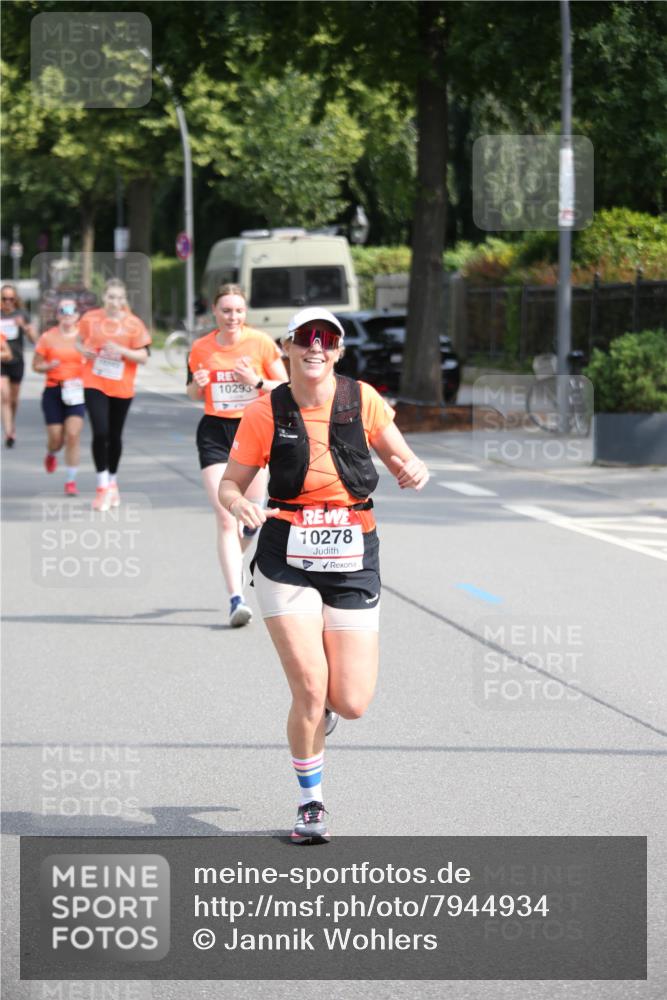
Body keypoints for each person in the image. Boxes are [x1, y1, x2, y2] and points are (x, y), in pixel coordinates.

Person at [219, 307, 429, 843]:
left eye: (327, 339)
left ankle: (326, 713)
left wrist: (414, 470)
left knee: (351, 701)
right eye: (305, 338)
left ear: (337, 351)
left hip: (353, 551)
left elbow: (404, 458)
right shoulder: (266, 411)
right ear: (286, 348)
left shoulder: (364, 401)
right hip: (286, 553)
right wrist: (239, 503)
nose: (316, 346)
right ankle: (310, 803)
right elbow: (230, 483)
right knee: (310, 687)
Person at [187, 283, 288, 627]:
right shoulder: (201, 347)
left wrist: (256, 382)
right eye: (226, 310)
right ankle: (236, 599)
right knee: (226, 514)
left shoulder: (260, 342)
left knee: (251, 519)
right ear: (214, 312)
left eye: (239, 311)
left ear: (246, 313)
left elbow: (287, 387)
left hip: (254, 431)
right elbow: (190, 393)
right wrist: (196, 385)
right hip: (215, 432)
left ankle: (235, 549)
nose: (233, 317)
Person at [76, 278, 151, 511]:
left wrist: (121, 350)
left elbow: (144, 356)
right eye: (111, 297)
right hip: (94, 381)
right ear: (104, 298)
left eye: (119, 297)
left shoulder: (133, 324)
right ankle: (101, 487)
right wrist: (84, 351)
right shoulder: (91, 318)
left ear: (124, 299)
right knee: (100, 432)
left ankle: (113, 482)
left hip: (121, 385)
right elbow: (78, 342)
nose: (115, 302)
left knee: (115, 435)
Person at [32, 298, 86, 495]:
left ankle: (70, 481)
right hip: (53, 390)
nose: (67, 314)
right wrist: (47, 366)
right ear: (57, 315)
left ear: (78, 315)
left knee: (73, 435)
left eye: (72, 310)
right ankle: (51, 452)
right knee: (56, 438)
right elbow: (35, 365)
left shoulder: (84, 337)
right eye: (63, 310)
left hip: (77, 391)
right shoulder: (48, 337)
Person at [0, 283, 38, 447]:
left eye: (11, 299)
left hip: (17, 360)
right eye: (4, 299)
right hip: (1, 360)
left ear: (16, 300)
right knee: (5, 396)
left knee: (14, 399)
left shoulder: (22, 314)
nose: (8, 302)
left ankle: (12, 424)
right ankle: (8, 432)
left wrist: (24, 326)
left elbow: (34, 340)